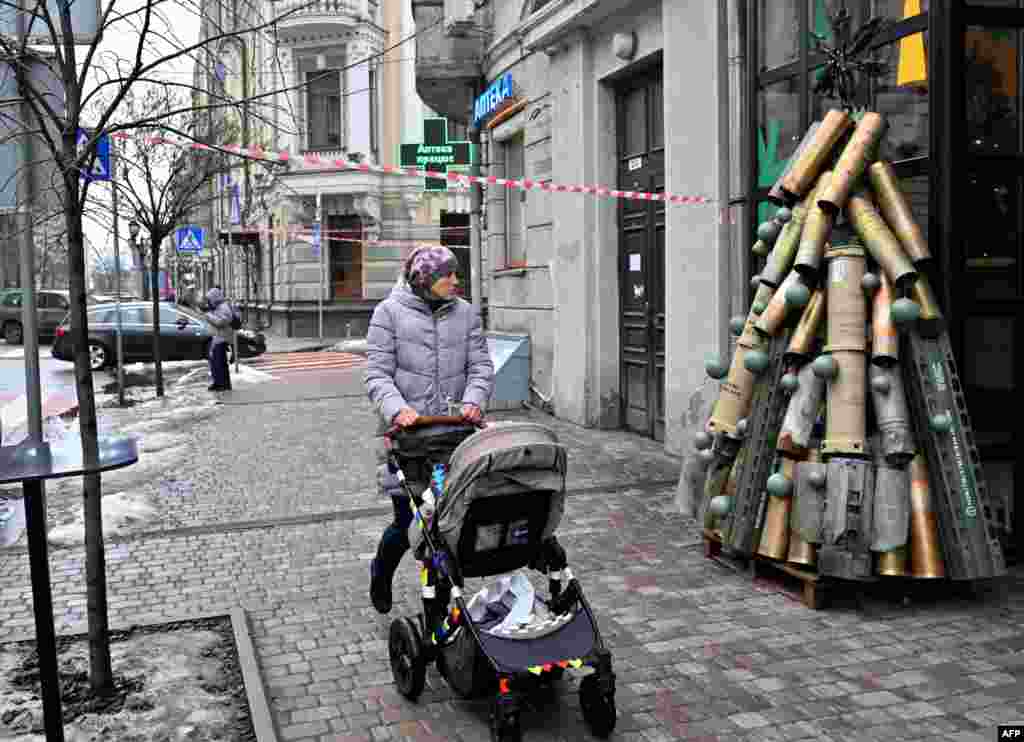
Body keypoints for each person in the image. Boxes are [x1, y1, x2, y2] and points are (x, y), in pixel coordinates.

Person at [365, 246, 495, 614]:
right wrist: (398, 409)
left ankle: (440, 612)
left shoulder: (466, 313)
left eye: (456, 274)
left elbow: (481, 366)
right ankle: (381, 569)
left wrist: (474, 400)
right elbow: (376, 373)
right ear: (424, 279)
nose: (456, 280)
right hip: (407, 439)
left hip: (454, 437)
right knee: (409, 524)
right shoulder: (388, 314)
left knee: (447, 522)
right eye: (447, 275)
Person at [203, 287, 234, 391]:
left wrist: (209, 316)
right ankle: (217, 382)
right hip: (217, 338)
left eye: (210, 299)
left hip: (221, 339)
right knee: (214, 363)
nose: (209, 302)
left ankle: (223, 384)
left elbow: (221, 322)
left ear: (215, 298)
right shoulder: (218, 307)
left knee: (219, 363)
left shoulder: (224, 307)